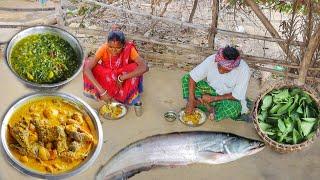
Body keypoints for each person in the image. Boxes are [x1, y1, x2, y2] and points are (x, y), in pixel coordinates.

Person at [83, 26, 148, 106]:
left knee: (135, 67)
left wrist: (121, 78)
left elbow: (144, 67)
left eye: (118, 48)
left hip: (121, 75)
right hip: (107, 75)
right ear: (107, 44)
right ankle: (103, 94)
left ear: (123, 46)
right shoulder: (103, 48)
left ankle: (125, 96)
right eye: (110, 47)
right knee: (87, 63)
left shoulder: (129, 49)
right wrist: (102, 91)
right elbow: (87, 69)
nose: (113, 50)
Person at [181, 45, 250, 121]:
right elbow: (192, 77)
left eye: (226, 70)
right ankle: (197, 103)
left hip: (226, 98)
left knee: (234, 108)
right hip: (209, 91)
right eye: (219, 66)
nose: (220, 71)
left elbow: (236, 96)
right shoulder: (213, 59)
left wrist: (213, 98)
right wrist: (191, 100)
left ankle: (209, 108)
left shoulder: (244, 70)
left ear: (233, 67)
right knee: (186, 78)